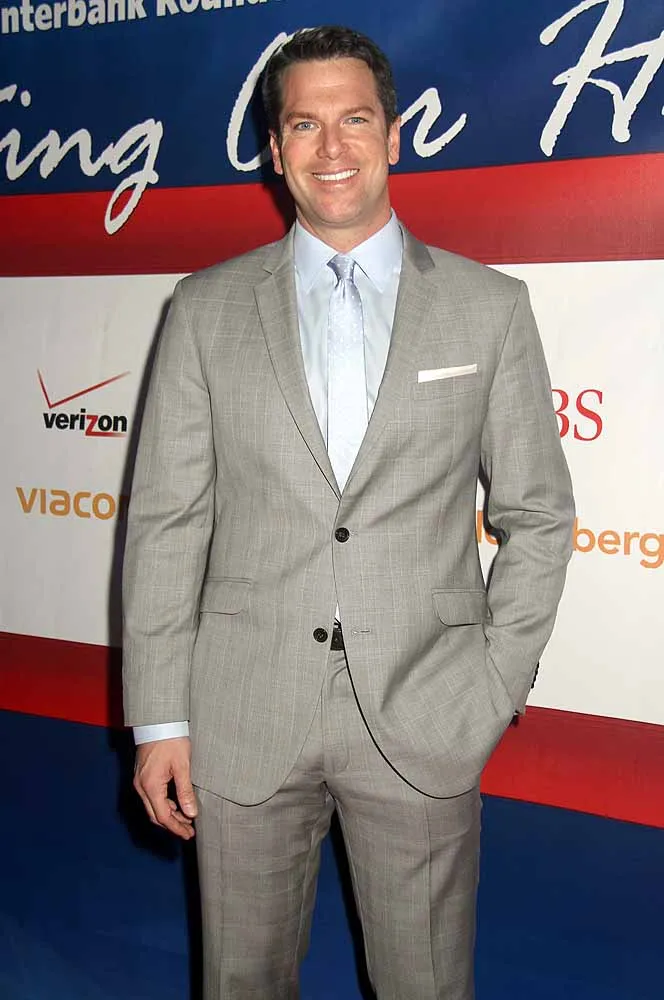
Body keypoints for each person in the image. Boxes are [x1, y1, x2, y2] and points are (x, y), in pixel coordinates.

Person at [123, 24, 574, 1000]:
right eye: (305, 124)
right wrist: (160, 718)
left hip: (426, 710)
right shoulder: (202, 310)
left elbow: (539, 514)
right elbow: (166, 523)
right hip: (242, 710)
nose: (332, 147)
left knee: (424, 985)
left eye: (355, 119)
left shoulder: (489, 308)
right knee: (240, 981)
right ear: (275, 148)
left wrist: (492, 684)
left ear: (393, 135)